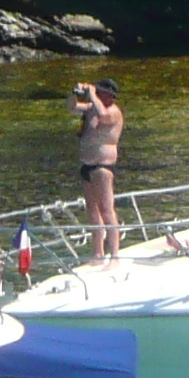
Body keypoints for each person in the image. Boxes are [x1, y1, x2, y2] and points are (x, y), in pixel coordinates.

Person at [73, 78, 125, 258]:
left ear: (109, 95)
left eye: (101, 92)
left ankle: (115, 255)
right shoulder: (90, 109)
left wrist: (93, 95)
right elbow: (72, 108)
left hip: (103, 167)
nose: (97, 95)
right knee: (92, 210)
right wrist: (74, 93)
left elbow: (103, 116)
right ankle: (98, 253)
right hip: (87, 165)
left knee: (106, 209)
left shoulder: (113, 112)